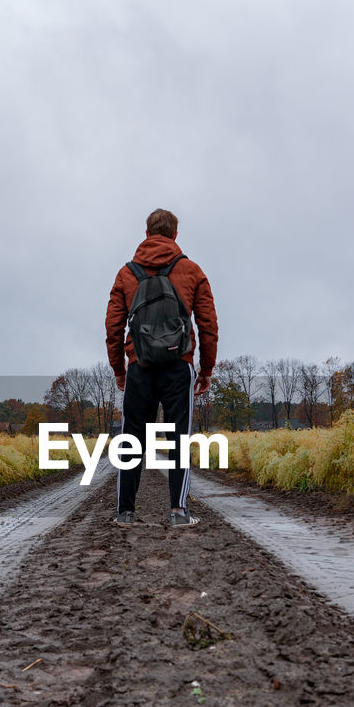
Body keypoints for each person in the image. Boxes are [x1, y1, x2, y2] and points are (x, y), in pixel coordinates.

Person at [105, 208, 218, 527]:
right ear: (175, 236)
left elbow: (113, 325)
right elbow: (208, 324)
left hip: (139, 366)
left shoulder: (126, 274)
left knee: (131, 438)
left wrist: (119, 369)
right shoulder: (192, 271)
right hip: (178, 366)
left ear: (146, 235)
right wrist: (206, 369)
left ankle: (125, 512)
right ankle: (178, 512)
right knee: (179, 437)